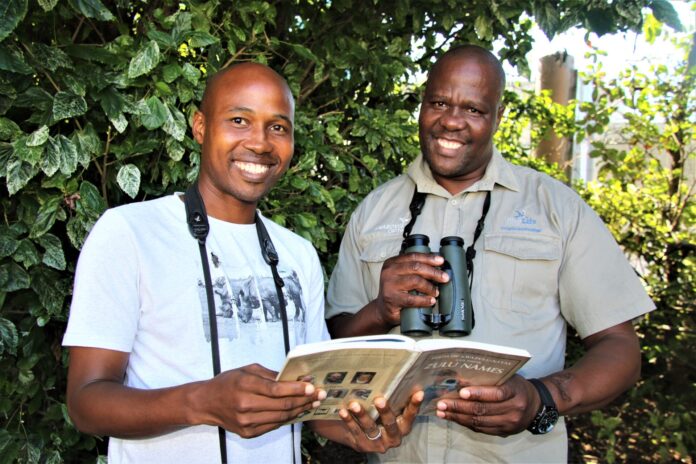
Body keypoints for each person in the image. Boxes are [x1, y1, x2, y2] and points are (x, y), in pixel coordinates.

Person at [63, 62, 422, 464]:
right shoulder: (129, 233)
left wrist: (366, 430)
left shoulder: (297, 253)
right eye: (239, 120)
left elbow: (312, 403)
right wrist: (200, 402)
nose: (260, 142)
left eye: (278, 127)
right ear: (200, 127)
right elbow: (85, 401)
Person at [325, 45, 655, 462]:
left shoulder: (555, 209)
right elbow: (332, 351)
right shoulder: (374, 211)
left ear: (498, 118)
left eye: (474, 109)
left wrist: (541, 398)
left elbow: (619, 347)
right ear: (422, 106)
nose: (451, 121)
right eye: (439, 102)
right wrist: (379, 310)